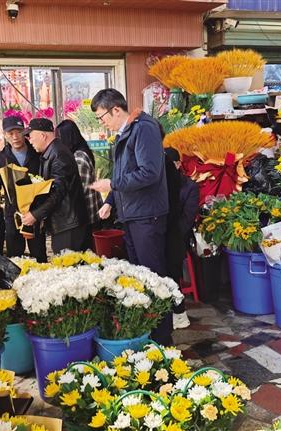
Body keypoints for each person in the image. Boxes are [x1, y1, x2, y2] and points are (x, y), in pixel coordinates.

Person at [89, 88, 171, 344]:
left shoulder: (143, 128)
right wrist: (110, 201)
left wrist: (112, 185)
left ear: (116, 109)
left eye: (102, 117)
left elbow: (149, 173)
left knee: (153, 277)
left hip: (147, 215)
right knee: (140, 276)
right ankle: (148, 332)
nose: (102, 123)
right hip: (132, 215)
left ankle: (163, 337)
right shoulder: (125, 133)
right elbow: (123, 174)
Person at [0, 116, 47, 262]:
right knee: (15, 256)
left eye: (18, 132)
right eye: (11, 133)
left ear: (24, 132)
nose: (15, 137)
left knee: (39, 253)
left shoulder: (37, 153)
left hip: (35, 212)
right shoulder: (1, 158)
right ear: (5, 135)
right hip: (13, 212)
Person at [21, 118, 88, 254]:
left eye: (30, 136)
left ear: (43, 135)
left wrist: (36, 215)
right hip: (63, 222)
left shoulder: (59, 154)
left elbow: (58, 192)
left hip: (68, 224)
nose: (29, 140)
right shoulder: (51, 152)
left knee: (69, 263)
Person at [164, 147, 200, 330]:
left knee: (171, 267)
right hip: (162, 233)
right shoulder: (160, 184)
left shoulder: (189, 186)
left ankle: (179, 312)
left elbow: (187, 219)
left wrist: (171, 234)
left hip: (178, 236)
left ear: (178, 164)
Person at [56, 119, 103, 250]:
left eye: (59, 137)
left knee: (87, 251)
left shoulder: (78, 158)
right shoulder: (81, 151)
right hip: (89, 213)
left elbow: (80, 189)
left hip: (87, 215)